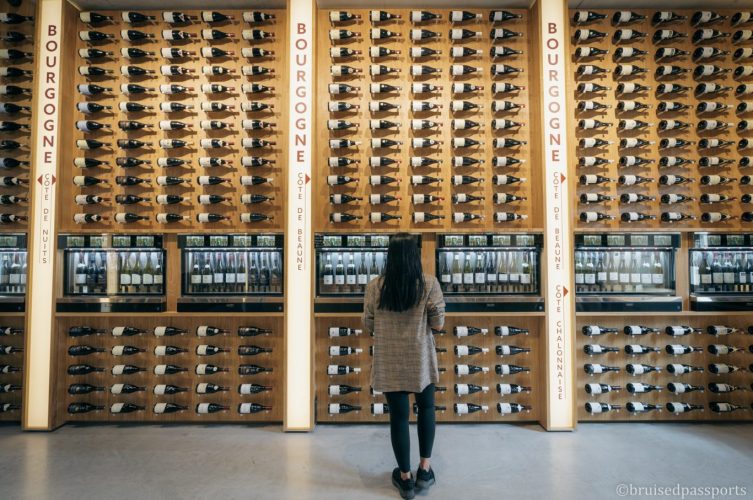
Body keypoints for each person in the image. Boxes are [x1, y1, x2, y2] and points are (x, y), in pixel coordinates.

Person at [363, 233, 446, 499]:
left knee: (398, 417)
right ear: (415, 256)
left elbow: (369, 324)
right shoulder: (429, 284)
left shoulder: (376, 286)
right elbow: (438, 324)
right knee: (427, 409)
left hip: (389, 360)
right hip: (420, 359)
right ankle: (425, 469)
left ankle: (405, 478)